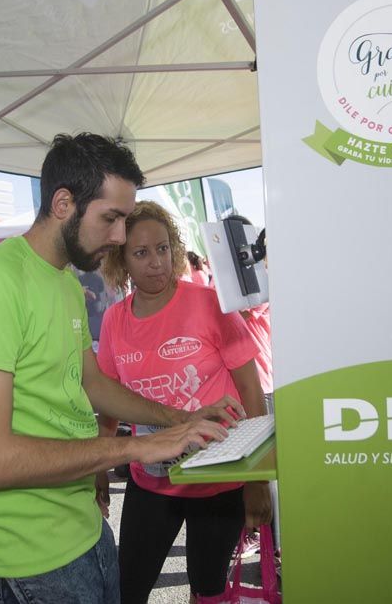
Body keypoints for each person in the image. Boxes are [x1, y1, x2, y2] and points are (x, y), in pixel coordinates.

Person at [0, 133, 239, 604]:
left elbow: (92, 382)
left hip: (81, 526)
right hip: (28, 555)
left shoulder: (63, 281)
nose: (121, 237)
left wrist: (179, 419)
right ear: (64, 203)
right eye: (111, 219)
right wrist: (135, 448)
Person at [96, 201, 272, 603]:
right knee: (129, 587)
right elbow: (110, 398)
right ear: (121, 260)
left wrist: (257, 479)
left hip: (220, 479)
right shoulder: (114, 321)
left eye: (163, 248)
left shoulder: (208, 302)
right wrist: (100, 463)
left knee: (207, 588)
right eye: (141, 253)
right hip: (152, 482)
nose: (156, 262)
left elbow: (251, 390)